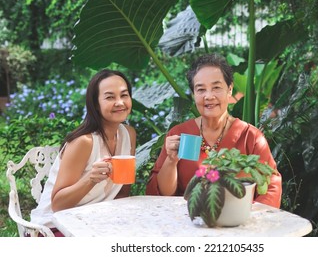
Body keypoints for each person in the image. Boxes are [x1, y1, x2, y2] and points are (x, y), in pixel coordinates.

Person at [146, 53, 282, 208]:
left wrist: (252, 219)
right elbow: (163, 195)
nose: (209, 96)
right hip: (188, 221)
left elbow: (271, 186)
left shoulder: (250, 136)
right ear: (193, 94)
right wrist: (171, 160)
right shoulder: (181, 134)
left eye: (216, 88)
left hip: (237, 223)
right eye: (201, 89)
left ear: (229, 89)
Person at [30, 69, 136, 236]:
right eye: (110, 97)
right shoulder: (83, 142)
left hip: (95, 222)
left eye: (124, 95)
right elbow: (58, 205)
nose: (120, 102)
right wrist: (90, 179)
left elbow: (123, 191)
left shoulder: (128, 134)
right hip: (55, 228)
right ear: (95, 104)